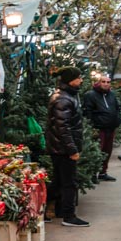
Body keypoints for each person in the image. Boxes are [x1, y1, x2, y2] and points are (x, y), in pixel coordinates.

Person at [46, 66, 88, 227]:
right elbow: (62, 128)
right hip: (62, 149)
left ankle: (41, 211)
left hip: (59, 148)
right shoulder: (63, 99)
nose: (81, 80)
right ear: (71, 80)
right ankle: (69, 216)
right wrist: (72, 149)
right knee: (69, 182)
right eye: (78, 77)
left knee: (58, 181)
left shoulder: (67, 96)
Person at [82, 74, 121, 181]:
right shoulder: (91, 95)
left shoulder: (112, 95)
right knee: (97, 151)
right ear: (98, 82)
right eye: (103, 82)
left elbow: (117, 108)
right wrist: (91, 126)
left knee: (107, 151)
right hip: (98, 128)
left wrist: (117, 120)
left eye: (108, 82)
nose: (106, 84)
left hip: (111, 128)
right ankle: (93, 173)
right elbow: (87, 111)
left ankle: (103, 172)